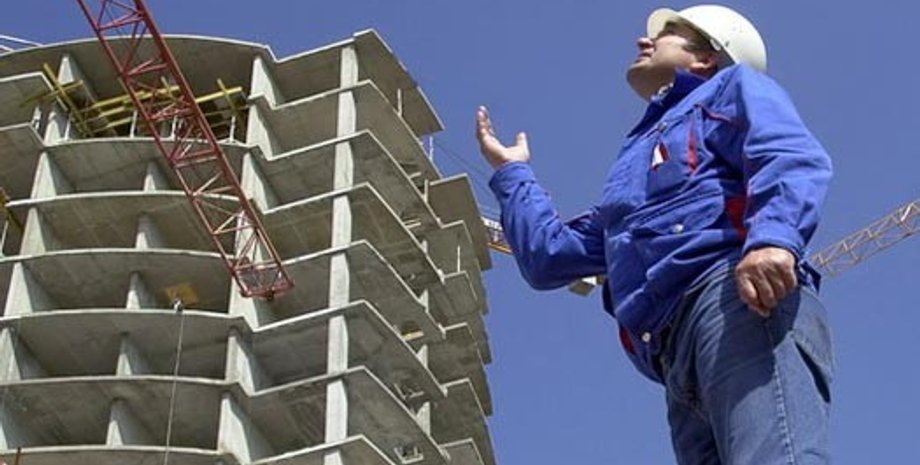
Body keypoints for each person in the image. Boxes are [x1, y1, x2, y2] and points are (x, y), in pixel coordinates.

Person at [476, 4, 834, 464]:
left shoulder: (731, 88)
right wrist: (513, 172)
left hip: (737, 304)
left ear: (705, 58)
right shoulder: (637, 161)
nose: (643, 40)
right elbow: (550, 257)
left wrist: (772, 238)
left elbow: (787, 153)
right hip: (673, 357)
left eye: (665, 33)